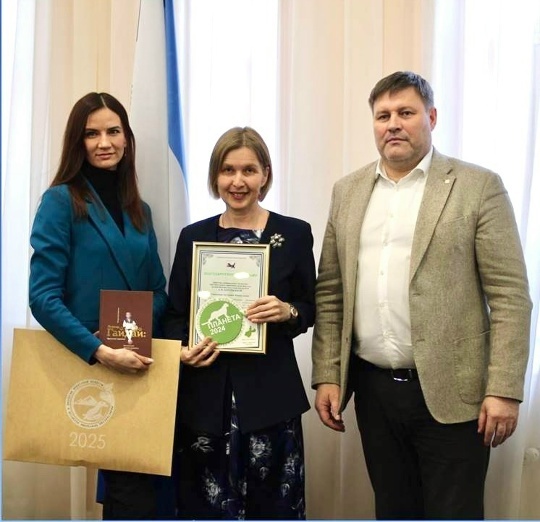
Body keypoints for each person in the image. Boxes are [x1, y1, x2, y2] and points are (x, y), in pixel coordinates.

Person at [311, 71, 532, 520]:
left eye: (406, 113)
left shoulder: (478, 186)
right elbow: (331, 292)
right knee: (394, 511)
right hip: (374, 392)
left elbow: (510, 296)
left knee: (454, 513)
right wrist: (328, 375)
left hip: (454, 394)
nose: (393, 124)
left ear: (431, 118)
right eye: (383, 116)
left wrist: (504, 389)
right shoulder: (347, 192)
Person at [29, 92, 171, 520]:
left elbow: (158, 291)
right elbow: (42, 297)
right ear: (78, 141)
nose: (104, 142)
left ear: (127, 138)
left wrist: (132, 337)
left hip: (139, 364)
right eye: (92, 134)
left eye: (113, 131)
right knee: (130, 491)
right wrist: (100, 350)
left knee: (142, 490)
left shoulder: (141, 210)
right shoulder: (60, 200)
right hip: (91, 368)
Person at [163, 126, 316, 520]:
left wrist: (288, 311)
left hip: (270, 400)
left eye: (249, 170)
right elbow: (175, 313)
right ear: (215, 176)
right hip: (205, 400)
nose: (238, 181)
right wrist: (182, 350)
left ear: (265, 174)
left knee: (272, 509)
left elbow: (310, 306)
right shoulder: (193, 237)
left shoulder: (294, 234)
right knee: (204, 509)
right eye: (228, 170)